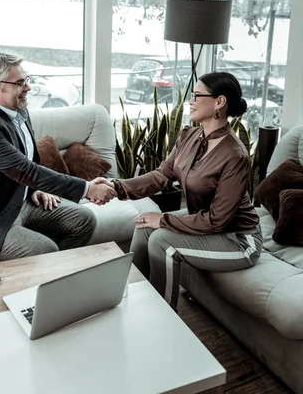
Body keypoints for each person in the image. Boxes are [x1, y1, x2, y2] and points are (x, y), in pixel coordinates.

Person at [112, 72, 262, 311]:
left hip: (238, 238)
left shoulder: (235, 155)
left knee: (162, 240)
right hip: (209, 225)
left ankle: (161, 318)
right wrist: (115, 187)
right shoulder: (189, 136)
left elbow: (217, 220)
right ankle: (126, 300)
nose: (190, 101)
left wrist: (163, 219)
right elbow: (161, 176)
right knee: (144, 225)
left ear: (219, 102)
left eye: (196, 95)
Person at [0, 53, 116, 260]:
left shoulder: (19, 112)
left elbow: (26, 163)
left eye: (26, 80)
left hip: (21, 202)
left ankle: (55, 277)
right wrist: (88, 188)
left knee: (84, 219)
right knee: (45, 250)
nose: (28, 88)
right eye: (19, 83)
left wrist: (35, 189)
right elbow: (25, 170)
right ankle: (46, 277)